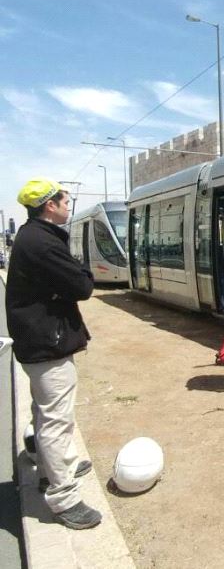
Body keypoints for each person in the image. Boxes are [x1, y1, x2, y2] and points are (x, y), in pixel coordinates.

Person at [5, 179, 101, 529]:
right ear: (49, 205)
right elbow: (83, 286)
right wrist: (78, 277)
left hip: (40, 341)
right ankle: (64, 498)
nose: (68, 205)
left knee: (46, 413)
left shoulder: (33, 237)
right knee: (56, 420)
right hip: (47, 342)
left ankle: (54, 467)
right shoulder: (43, 243)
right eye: (65, 200)